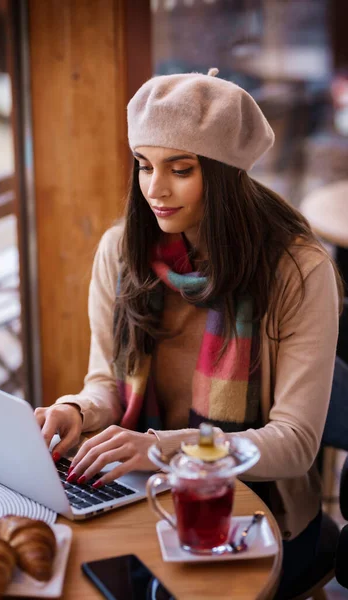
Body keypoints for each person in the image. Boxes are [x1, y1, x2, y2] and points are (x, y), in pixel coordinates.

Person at [35, 68, 342, 596]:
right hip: (141, 490)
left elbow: (294, 446)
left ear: (225, 175)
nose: (155, 189)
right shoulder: (123, 250)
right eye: (144, 166)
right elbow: (105, 381)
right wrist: (76, 412)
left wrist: (162, 448)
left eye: (180, 169)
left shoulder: (298, 269)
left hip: (256, 511)